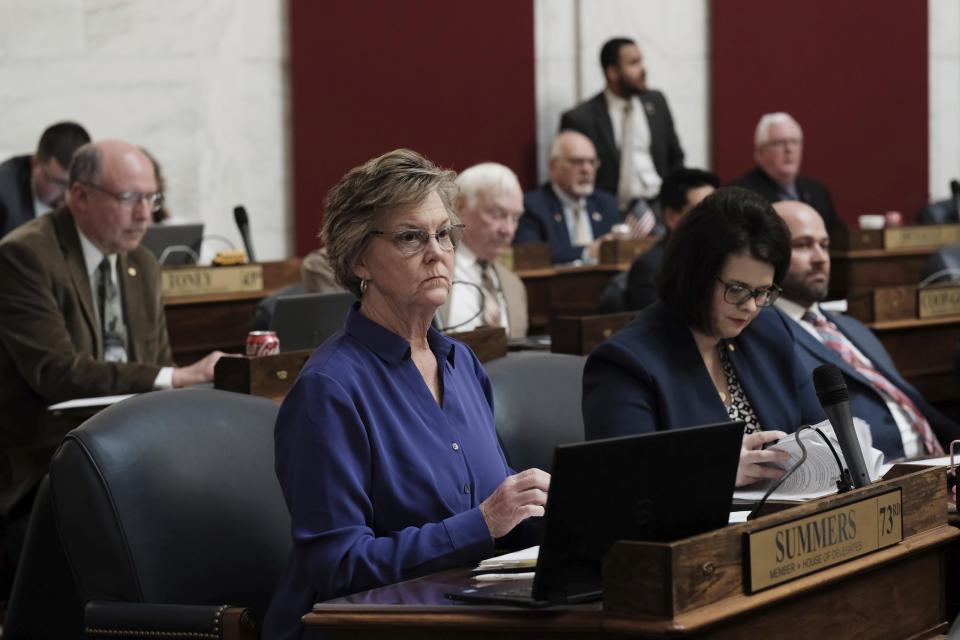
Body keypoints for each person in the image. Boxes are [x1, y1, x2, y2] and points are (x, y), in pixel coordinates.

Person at [263, 149, 549, 638]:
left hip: (467, 612)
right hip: (362, 626)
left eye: (444, 233)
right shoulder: (328, 390)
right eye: (411, 237)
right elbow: (339, 567)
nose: (437, 251)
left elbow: (505, 517)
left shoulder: (462, 364)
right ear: (358, 260)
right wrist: (481, 524)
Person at [0, 141, 227, 594]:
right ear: (80, 196)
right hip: (39, 472)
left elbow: (153, 363)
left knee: (218, 520)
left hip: (127, 461)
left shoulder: (141, 264)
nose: (145, 214)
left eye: (152, 198)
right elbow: (56, 372)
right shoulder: (23, 255)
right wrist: (174, 378)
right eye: (130, 199)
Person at [582, 187, 825, 487]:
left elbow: (819, 433)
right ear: (694, 276)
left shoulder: (768, 329)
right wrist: (713, 470)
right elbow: (620, 485)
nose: (750, 306)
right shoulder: (625, 363)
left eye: (762, 291)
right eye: (736, 288)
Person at [771, 200, 960, 460]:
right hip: (886, 475)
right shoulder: (766, 335)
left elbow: (919, 408)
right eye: (803, 245)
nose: (820, 258)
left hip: (941, 458)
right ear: (767, 254)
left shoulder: (852, 327)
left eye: (824, 245)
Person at [559, 37, 684, 212]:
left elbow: (675, 157)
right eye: (633, 63)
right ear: (612, 72)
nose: (643, 69)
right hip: (612, 211)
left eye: (641, 61)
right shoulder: (581, 118)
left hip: (659, 206)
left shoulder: (656, 102)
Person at [438, 162, 528, 337]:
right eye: (498, 214)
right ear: (460, 206)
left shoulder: (514, 286)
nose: (508, 230)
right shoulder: (430, 269)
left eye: (515, 218)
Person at [516, 131, 622, 264]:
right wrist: (587, 253)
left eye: (592, 162)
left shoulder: (607, 204)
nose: (587, 169)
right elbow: (530, 255)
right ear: (553, 165)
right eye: (577, 161)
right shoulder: (533, 207)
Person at [731, 113, 842, 235]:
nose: (789, 150)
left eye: (795, 142)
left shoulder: (818, 192)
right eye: (779, 143)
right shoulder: (740, 195)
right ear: (760, 152)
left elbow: (835, 239)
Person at [625, 168, 718, 310]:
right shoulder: (651, 268)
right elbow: (657, 329)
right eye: (701, 211)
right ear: (672, 217)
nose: (713, 219)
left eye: (715, 209)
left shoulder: (723, 258)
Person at [0, 121, 91, 237]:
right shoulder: (4, 195)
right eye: (59, 183)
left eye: (75, 183)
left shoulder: (95, 188)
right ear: (35, 162)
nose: (67, 193)